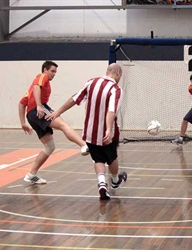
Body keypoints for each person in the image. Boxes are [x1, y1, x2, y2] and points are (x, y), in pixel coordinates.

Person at [45, 63, 127, 200]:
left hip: (89, 132)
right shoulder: (115, 89)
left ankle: (101, 184)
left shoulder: (91, 82)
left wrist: (57, 112)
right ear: (118, 73)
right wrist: (108, 129)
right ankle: (114, 180)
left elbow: (74, 99)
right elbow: (111, 111)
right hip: (108, 132)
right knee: (112, 157)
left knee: (98, 159)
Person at [19, 60, 89, 184]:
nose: (53, 74)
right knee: (62, 124)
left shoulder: (31, 90)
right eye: (52, 71)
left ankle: (31, 175)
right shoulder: (41, 77)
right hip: (38, 109)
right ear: (45, 70)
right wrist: (40, 106)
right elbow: (36, 87)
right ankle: (84, 145)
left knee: (49, 147)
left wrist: (23, 122)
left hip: (31, 115)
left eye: (55, 72)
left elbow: (21, 103)